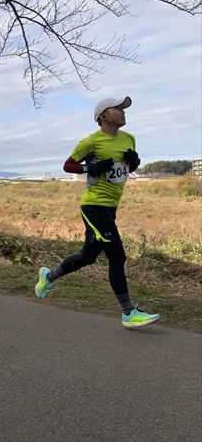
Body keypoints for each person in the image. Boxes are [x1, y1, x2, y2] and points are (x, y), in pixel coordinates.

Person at [35, 96, 160, 328]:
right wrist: (90, 167)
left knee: (88, 257)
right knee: (117, 257)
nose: (123, 112)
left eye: (123, 109)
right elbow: (68, 166)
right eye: (118, 109)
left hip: (111, 206)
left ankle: (48, 277)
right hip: (94, 206)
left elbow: (128, 168)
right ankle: (128, 312)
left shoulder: (129, 138)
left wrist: (135, 161)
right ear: (103, 115)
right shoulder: (91, 141)